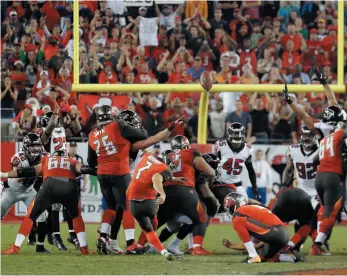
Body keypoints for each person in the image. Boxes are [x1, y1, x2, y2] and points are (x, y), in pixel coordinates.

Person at [88, 105, 182, 255]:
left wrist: (168, 129)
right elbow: (149, 139)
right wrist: (168, 130)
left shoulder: (95, 134)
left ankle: (106, 237)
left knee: (114, 209)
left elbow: (91, 161)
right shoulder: (127, 140)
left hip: (106, 174)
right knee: (127, 208)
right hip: (125, 176)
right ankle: (131, 243)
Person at [1, 150, 96, 255]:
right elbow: (83, 169)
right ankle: (84, 248)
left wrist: (4, 174)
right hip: (69, 187)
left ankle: (15, 247)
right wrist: (98, 171)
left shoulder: (47, 159)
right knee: (77, 217)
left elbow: (26, 171)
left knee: (30, 216)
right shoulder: (71, 160)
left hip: (49, 187)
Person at [146, 135, 216, 255]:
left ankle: (143, 245)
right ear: (186, 146)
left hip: (165, 192)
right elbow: (211, 172)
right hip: (185, 191)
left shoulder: (165, 155)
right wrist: (206, 183)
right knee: (201, 218)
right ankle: (196, 247)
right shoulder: (192, 153)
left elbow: (153, 175)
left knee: (159, 223)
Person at [36, 99, 82, 251]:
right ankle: (55, 235)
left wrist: (71, 113)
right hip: (52, 165)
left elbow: (78, 129)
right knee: (55, 204)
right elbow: (49, 128)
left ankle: (71, 234)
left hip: (64, 162)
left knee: (70, 199)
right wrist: (56, 111)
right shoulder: (44, 132)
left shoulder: (60, 127)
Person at [128, 150, 185, 261]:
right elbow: (156, 178)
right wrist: (162, 193)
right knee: (153, 223)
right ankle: (155, 245)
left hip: (133, 201)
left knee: (148, 231)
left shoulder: (148, 156)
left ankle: (162, 251)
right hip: (149, 202)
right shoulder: (163, 168)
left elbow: (151, 169)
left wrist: (173, 179)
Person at [1, 133, 49, 253]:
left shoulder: (44, 156)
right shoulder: (18, 158)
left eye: (37, 146)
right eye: (32, 146)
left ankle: (40, 246)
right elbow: (19, 177)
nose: (35, 149)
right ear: (26, 147)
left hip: (28, 190)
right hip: (12, 190)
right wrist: (35, 171)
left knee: (42, 215)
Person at [312, 119, 347, 255]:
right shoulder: (341, 136)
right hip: (332, 177)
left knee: (323, 210)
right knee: (332, 213)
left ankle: (319, 243)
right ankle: (317, 244)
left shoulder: (325, 139)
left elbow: (315, 160)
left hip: (319, 177)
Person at [224, 193, 289, 263]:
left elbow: (247, 245)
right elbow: (248, 244)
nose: (230, 211)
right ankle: (291, 257)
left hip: (275, 232)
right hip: (283, 233)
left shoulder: (240, 213)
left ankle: (253, 256)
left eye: (230, 208)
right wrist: (233, 246)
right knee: (263, 256)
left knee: (236, 219)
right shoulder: (254, 209)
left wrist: (232, 246)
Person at [214, 123, 259, 200]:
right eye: (235, 138)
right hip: (220, 183)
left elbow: (251, 170)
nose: (236, 142)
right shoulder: (221, 146)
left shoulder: (247, 150)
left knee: (245, 203)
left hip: (236, 184)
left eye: (238, 138)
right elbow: (214, 166)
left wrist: (254, 187)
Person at [282, 126, 319, 208]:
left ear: (315, 136)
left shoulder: (320, 150)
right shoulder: (293, 149)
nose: (306, 138)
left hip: (317, 192)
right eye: (305, 135)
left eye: (309, 135)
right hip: (300, 191)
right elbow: (288, 169)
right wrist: (284, 186)